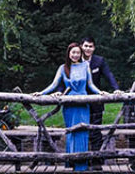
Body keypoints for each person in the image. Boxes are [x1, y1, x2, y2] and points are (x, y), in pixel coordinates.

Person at [33, 43, 108, 171]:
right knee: (72, 132)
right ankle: (71, 161)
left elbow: (90, 84)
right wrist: (41, 93)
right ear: (69, 54)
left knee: (83, 132)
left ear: (81, 54)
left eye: (78, 53)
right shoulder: (63, 68)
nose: (75, 55)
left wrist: (100, 92)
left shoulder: (85, 66)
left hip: (83, 103)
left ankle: (82, 163)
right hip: (69, 105)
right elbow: (54, 84)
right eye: (73, 52)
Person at [80, 37, 119, 169]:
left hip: (96, 102)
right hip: (78, 102)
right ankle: (82, 161)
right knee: (81, 130)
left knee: (96, 131)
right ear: (81, 46)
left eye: (90, 46)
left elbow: (109, 75)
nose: (88, 49)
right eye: (86, 46)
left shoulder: (99, 61)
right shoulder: (75, 59)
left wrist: (116, 89)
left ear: (94, 48)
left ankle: (96, 162)